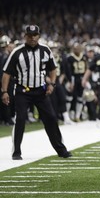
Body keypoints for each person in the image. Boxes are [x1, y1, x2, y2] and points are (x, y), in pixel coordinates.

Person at [1, 25, 72, 160]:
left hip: (41, 91)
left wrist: (51, 83)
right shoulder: (17, 52)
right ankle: (16, 151)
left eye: (35, 35)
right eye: (29, 35)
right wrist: (4, 92)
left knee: (51, 118)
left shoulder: (45, 50)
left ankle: (61, 150)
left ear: (39, 35)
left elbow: (53, 69)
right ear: (25, 36)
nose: (32, 38)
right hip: (22, 90)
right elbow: (6, 73)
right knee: (20, 119)